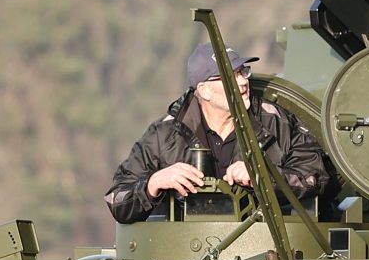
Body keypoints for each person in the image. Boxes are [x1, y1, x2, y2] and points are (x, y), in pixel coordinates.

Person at [105, 39, 329, 223]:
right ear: (205, 91)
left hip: (264, 249)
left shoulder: (277, 123)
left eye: (243, 72)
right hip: (185, 254)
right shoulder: (164, 134)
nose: (243, 82)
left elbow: (316, 177)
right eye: (231, 76)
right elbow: (117, 200)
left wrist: (264, 176)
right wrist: (154, 183)